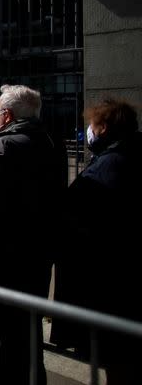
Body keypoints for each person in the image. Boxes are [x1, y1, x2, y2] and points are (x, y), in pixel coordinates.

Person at [0, 84, 66, 385]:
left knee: (3, 344)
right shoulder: (51, 142)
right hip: (38, 258)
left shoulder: (3, 146)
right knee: (30, 340)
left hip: (3, 264)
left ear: (6, 115)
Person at [51, 99, 141, 384]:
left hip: (109, 281)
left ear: (103, 128)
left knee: (118, 360)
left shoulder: (110, 167)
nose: (87, 130)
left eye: (91, 124)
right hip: (122, 278)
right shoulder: (128, 156)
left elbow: (82, 217)